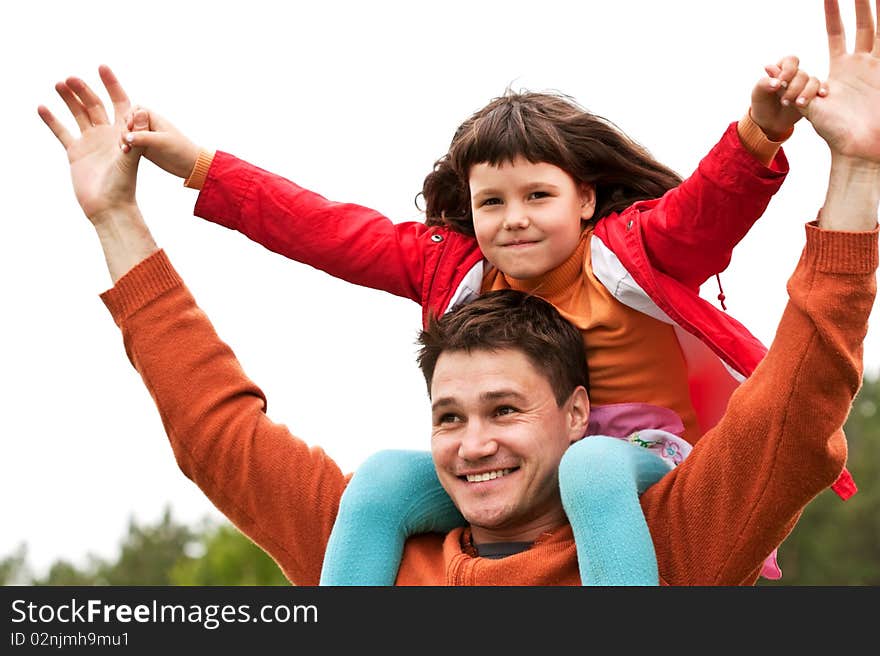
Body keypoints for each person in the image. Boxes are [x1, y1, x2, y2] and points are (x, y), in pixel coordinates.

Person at [38, 0, 879, 586]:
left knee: (590, 471)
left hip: (644, 467)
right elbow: (320, 236)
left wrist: (781, 138)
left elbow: (790, 382)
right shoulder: (454, 274)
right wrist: (177, 177)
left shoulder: (676, 544)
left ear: (585, 197)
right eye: (450, 415)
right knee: (375, 483)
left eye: (504, 410)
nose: (513, 222)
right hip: (563, 477)